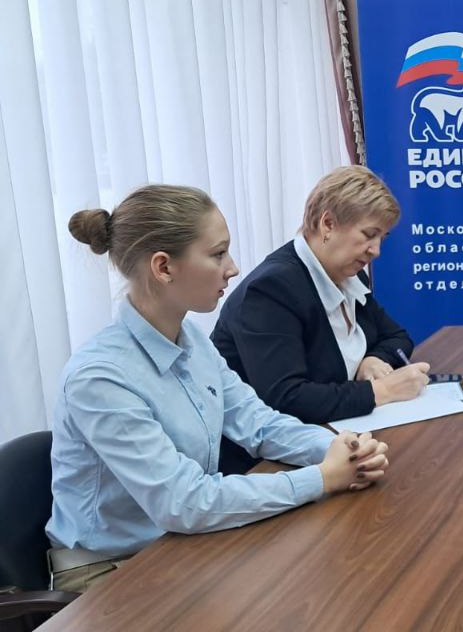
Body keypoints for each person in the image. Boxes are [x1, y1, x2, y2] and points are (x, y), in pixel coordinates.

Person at [49, 185, 389, 594]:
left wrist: (341, 448)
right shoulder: (100, 377)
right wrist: (321, 478)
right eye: (217, 254)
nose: (233, 268)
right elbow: (184, 502)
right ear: (163, 267)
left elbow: (258, 423)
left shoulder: (191, 338)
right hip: (110, 572)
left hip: (181, 544)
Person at [212, 166, 430, 433]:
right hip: (262, 451)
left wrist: (372, 359)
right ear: (328, 224)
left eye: (382, 238)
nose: (376, 251)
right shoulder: (271, 289)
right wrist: (381, 390)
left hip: (337, 431)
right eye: (368, 235)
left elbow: (397, 337)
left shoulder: (350, 275)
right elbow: (286, 398)